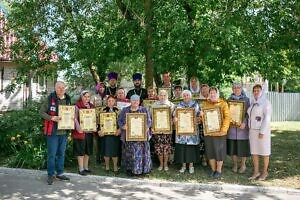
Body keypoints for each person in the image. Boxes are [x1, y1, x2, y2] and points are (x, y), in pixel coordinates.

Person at [40, 81, 71, 185]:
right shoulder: (50, 98)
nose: (61, 89)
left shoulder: (68, 99)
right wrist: (52, 117)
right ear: (55, 88)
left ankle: (60, 173)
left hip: (64, 131)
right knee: (52, 155)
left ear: (65, 88)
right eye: (59, 87)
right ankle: (50, 174)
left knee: (61, 154)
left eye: (63, 87)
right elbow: (41, 112)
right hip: (52, 132)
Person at [118, 94, 152, 175]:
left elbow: (149, 120)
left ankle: (142, 170)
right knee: (130, 153)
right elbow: (119, 120)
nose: (135, 102)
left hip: (141, 137)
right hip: (129, 137)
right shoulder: (125, 110)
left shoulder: (144, 110)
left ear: (139, 101)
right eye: (133, 100)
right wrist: (123, 126)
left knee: (141, 154)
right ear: (130, 101)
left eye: (137, 100)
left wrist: (147, 126)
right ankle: (130, 170)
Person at [202, 86, 230, 179]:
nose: (212, 94)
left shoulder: (223, 104)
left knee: (219, 152)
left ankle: (218, 170)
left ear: (217, 94)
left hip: (219, 133)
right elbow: (202, 119)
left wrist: (223, 130)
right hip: (209, 132)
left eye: (214, 93)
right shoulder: (205, 104)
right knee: (210, 152)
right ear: (209, 94)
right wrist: (201, 115)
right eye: (211, 93)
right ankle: (213, 169)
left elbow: (227, 117)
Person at [247, 84, 272, 181]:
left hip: (262, 132)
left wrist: (262, 131)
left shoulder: (266, 103)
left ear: (262, 92)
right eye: (254, 91)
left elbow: (267, 118)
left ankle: (265, 172)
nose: (256, 92)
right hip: (252, 131)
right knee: (254, 152)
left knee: (265, 152)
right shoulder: (253, 102)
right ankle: (256, 171)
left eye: (258, 90)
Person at [173, 90, 200, 174]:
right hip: (182, 131)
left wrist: (198, 119)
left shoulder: (195, 105)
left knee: (190, 148)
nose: (186, 97)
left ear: (190, 96)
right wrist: (175, 119)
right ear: (182, 97)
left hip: (192, 131)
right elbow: (174, 116)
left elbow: (199, 117)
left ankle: (191, 166)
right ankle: (183, 166)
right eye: (184, 95)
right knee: (182, 148)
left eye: (187, 95)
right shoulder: (179, 105)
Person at [227, 82, 250, 174]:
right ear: (232, 89)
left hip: (242, 129)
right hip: (232, 128)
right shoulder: (229, 100)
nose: (236, 89)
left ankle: (243, 164)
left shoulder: (246, 100)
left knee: (242, 148)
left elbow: (249, 114)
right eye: (235, 88)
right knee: (233, 148)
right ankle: (235, 164)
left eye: (238, 88)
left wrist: (244, 122)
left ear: (241, 89)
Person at [72, 90, 95, 176]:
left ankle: (86, 168)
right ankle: (81, 169)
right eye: (85, 96)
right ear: (81, 97)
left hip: (89, 131)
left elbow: (93, 118)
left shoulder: (91, 106)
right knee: (80, 151)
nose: (87, 98)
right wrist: (78, 128)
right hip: (80, 132)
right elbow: (74, 118)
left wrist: (94, 126)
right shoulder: (77, 106)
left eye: (88, 97)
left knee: (87, 151)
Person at [152, 90, 175, 171]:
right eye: (161, 95)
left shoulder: (171, 105)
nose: (162, 97)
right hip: (157, 130)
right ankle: (161, 164)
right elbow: (151, 117)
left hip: (167, 130)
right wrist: (152, 126)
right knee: (159, 148)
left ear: (167, 96)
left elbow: (174, 117)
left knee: (167, 147)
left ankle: (165, 164)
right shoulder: (154, 105)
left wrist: (173, 120)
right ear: (158, 96)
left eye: (164, 95)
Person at [98, 95, 121, 174]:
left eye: (112, 101)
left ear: (114, 102)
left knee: (115, 151)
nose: (110, 102)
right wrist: (99, 131)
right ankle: (107, 166)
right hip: (105, 134)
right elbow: (98, 122)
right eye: (109, 101)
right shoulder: (102, 110)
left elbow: (121, 122)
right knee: (106, 151)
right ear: (106, 102)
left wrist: (119, 130)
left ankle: (115, 167)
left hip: (115, 134)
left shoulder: (119, 110)